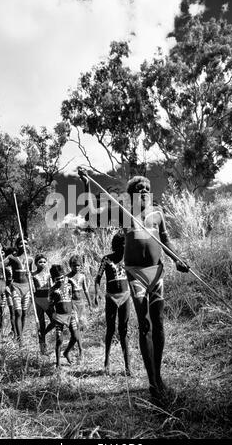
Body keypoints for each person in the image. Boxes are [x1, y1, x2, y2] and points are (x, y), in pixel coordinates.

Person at [78, 169, 189, 399]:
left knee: (158, 323)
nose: (145, 192)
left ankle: (158, 376)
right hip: (136, 273)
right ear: (131, 195)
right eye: (139, 190)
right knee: (145, 324)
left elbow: (166, 241)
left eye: (147, 189)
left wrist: (177, 260)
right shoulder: (124, 213)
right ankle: (152, 382)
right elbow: (91, 215)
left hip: (157, 273)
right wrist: (86, 184)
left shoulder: (158, 214)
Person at [95, 231, 131, 376]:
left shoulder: (128, 259)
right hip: (111, 297)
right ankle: (106, 363)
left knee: (124, 330)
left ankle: (128, 366)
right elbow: (97, 278)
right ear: (116, 245)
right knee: (110, 330)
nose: (124, 247)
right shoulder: (106, 259)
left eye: (126, 245)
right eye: (122, 244)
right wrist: (97, 293)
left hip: (125, 296)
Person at [0, 236, 34, 345]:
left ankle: (19, 334)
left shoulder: (30, 259)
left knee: (24, 314)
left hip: (27, 288)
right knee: (18, 312)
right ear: (17, 245)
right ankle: (20, 339)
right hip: (16, 287)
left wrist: (32, 285)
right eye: (21, 243)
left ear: (28, 245)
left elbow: (30, 273)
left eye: (26, 243)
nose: (24, 245)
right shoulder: (12, 258)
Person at [49, 264, 83, 368]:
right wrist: (53, 315)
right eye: (57, 279)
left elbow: (71, 299)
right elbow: (50, 305)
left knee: (76, 336)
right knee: (59, 339)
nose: (60, 280)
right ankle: (58, 362)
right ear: (53, 279)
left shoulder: (69, 285)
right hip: (59, 317)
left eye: (62, 278)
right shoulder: (52, 290)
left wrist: (75, 313)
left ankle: (66, 352)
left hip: (71, 314)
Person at [32, 254, 54, 354]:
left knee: (55, 320)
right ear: (36, 263)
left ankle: (44, 333)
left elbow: (53, 286)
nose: (42, 264)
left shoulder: (49, 274)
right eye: (40, 262)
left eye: (44, 262)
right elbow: (31, 288)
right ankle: (43, 348)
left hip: (48, 300)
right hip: (38, 300)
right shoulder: (32, 275)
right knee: (41, 324)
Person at [67, 254, 92, 330]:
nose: (76, 267)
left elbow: (86, 290)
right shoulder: (67, 277)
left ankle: (82, 336)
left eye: (78, 265)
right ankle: (76, 336)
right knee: (75, 321)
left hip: (81, 301)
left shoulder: (82, 276)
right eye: (74, 266)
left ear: (81, 265)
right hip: (72, 302)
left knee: (83, 320)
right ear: (70, 266)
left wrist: (90, 303)